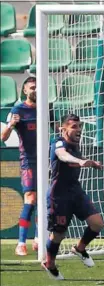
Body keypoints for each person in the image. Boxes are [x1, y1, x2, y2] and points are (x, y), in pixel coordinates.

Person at [42, 114, 104, 280]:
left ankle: (80, 248)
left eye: (80, 126)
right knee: (58, 235)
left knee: (97, 224)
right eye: (74, 127)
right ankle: (49, 264)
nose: (79, 130)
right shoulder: (58, 142)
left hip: (75, 191)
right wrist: (81, 161)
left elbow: (74, 159)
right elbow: (62, 155)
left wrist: (90, 162)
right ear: (63, 129)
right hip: (59, 195)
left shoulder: (75, 145)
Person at [1, 77, 39, 256]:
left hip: (46, 160)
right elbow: (3, 137)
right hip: (29, 160)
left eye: (38, 87)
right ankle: (21, 242)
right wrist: (11, 125)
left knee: (46, 202)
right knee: (30, 199)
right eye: (32, 87)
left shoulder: (47, 109)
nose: (36, 90)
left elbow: (58, 128)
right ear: (25, 91)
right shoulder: (18, 110)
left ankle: (39, 239)